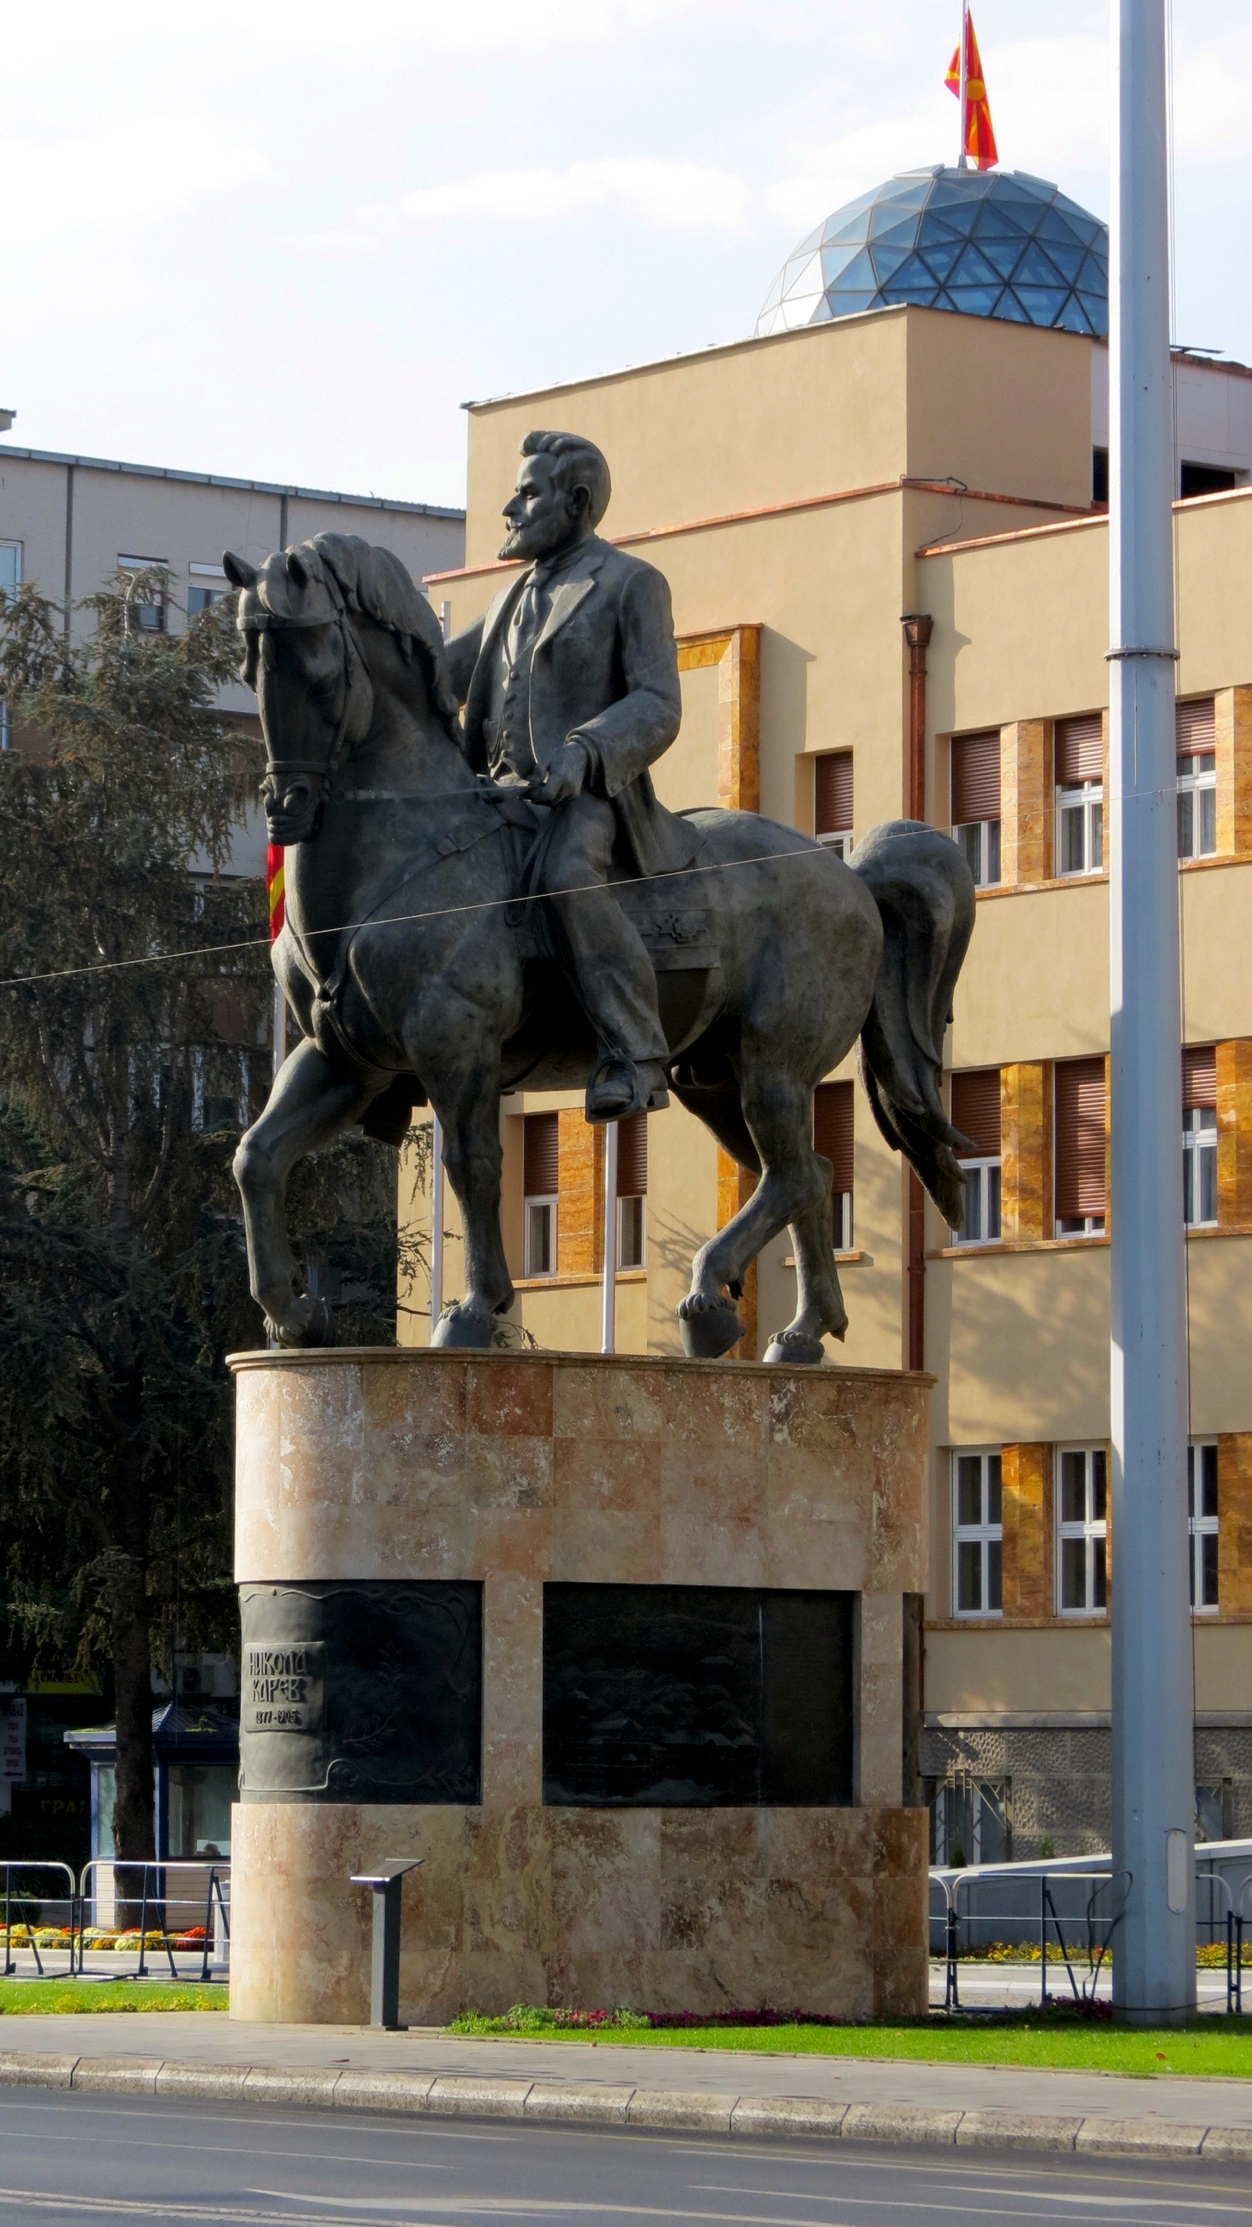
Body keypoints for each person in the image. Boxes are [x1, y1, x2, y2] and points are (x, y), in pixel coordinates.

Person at [443, 430, 698, 1123]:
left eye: (528, 493)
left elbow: (658, 703)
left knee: (565, 874)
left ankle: (634, 1049)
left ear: (577, 501)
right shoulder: (506, 601)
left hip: (585, 801)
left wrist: (584, 753)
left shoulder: (630, 584)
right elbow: (434, 673)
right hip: (494, 799)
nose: (508, 507)